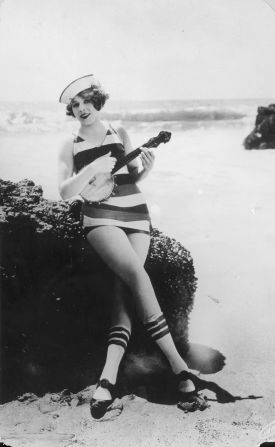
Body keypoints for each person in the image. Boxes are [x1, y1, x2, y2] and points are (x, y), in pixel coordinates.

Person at [58, 74, 197, 419]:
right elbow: (64, 191)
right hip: (100, 217)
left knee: (125, 290)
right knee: (136, 274)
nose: (81, 108)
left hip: (136, 214)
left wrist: (147, 170)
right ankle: (180, 369)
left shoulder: (119, 133)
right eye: (74, 105)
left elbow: (128, 177)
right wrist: (91, 166)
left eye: (86, 100)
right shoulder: (69, 144)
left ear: (97, 100)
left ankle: (107, 378)